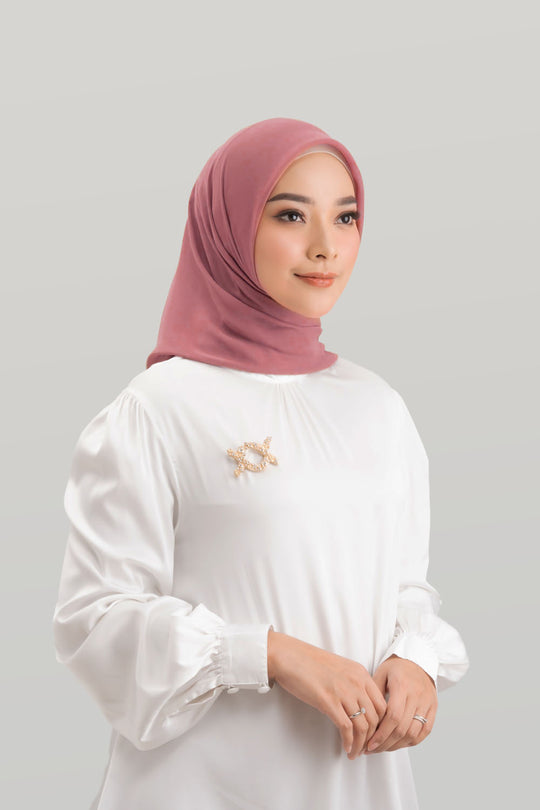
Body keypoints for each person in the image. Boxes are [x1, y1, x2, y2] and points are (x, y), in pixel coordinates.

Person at [52, 117, 470, 810]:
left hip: (352, 782)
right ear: (229, 227)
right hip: (201, 787)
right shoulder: (157, 410)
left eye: (346, 217)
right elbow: (95, 621)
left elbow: (402, 586)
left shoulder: (379, 408)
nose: (324, 246)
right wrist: (269, 653)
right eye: (290, 215)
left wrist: (414, 659)